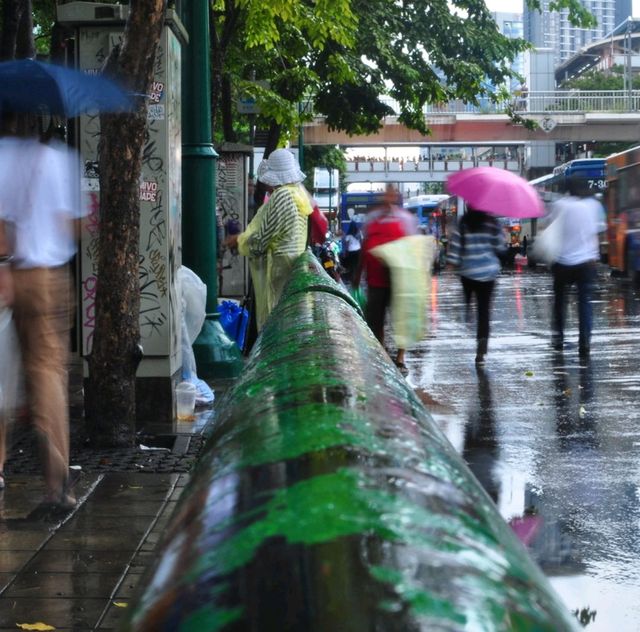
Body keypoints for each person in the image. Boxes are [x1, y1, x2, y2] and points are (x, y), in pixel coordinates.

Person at [0, 112, 83, 508]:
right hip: (55, 277)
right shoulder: (61, 159)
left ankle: (44, 468)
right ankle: (57, 479)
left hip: (17, 273)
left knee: (17, 372)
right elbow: (72, 225)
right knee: (50, 373)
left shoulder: (2, 157)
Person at [224, 149, 312, 330]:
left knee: (276, 325)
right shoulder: (299, 194)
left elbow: (260, 241)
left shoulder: (282, 196)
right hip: (293, 268)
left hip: (279, 271)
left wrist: (240, 241)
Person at [354, 184, 417, 371]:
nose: (388, 198)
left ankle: (400, 357)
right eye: (385, 195)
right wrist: (358, 273)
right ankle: (381, 354)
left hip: (399, 279)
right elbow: (365, 247)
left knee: (400, 320)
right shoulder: (373, 219)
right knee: (376, 320)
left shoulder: (406, 219)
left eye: (391, 195)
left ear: (396, 198)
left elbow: (412, 248)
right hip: (375, 280)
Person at [550, 175, 606, 357]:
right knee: (585, 303)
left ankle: (558, 337)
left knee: (560, 301)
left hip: (562, 261)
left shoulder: (559, 205)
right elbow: (598, 232)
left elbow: (550, 229)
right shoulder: (593, 205)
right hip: (587, 263)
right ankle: (585, 343)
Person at [447, 206, 506, 365]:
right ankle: (481, 349)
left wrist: (451, 266)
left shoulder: (463, 224)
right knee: (484, 311)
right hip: (488, 273)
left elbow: (455, 250)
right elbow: (501, 248)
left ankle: (468, 310)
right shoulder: (492, 223)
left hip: (468, 273)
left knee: (469, 299)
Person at [340, 219, 362, 283]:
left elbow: (347, 244)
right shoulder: (359, 233)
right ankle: (357, 277)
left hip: (351, 251)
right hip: (358, 251)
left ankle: (351, 278)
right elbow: (361, 241)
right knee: (356, 265)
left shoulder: (349, 235)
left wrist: (345, 252)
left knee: (351, 265)